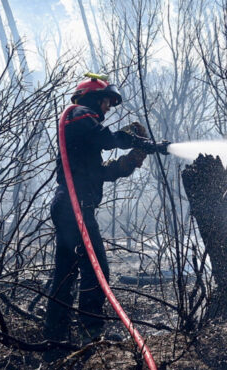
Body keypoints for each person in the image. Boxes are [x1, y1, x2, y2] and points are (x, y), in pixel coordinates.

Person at [43, 75, 158, 349]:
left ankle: (55, 337)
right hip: (74, 207)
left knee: (66, 273)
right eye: (108, 101)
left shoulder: (82, 130)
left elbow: (99, 172)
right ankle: (90, 334)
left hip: (71, 206)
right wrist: (131, 138)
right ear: (95, 97)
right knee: (97, 272)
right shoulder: (79, 115)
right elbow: (105, 139)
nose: (108, 108)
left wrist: (128, 163)